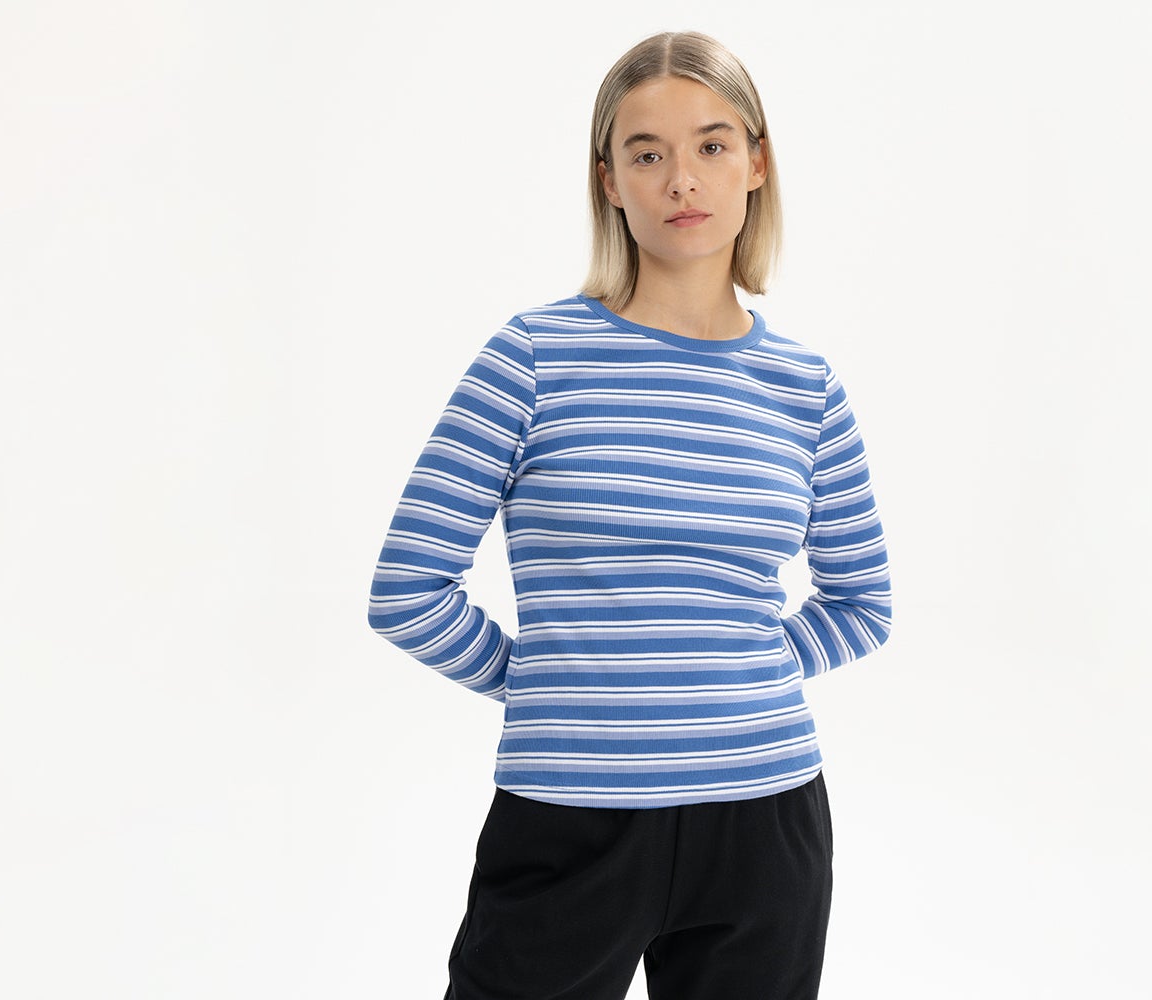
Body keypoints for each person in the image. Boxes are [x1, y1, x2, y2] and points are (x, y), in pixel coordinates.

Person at [365, 29, 897, 1000]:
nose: (680, 179)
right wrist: (552, 687)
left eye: (710, 145)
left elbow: (862, 603)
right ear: (608, 181)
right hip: (570, 817)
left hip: (765, 819)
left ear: (755, 163)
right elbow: (407, 590)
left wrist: (733, 677)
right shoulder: (532, 358)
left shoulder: (805, 388)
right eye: (646, 154)